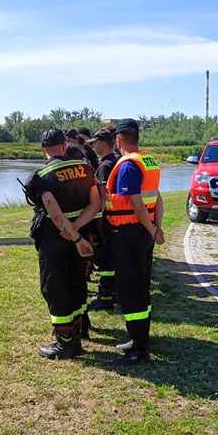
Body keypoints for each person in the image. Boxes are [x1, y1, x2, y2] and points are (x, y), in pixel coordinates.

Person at [24, 129, 101, 360]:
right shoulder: (86, 168)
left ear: (42, 149)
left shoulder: (40, 175)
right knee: (76, 282)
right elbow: (96, 204)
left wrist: (72, 234)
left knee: (55, 287)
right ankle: (76, 336)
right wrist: (77, 231)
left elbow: (55, 214)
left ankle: (64, 343)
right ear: (64, 144)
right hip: (80, 237)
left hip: (55, 240)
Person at [105, 118, 164, 365]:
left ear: (118, 140)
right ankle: (139, 338)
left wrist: (152, 229)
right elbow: (158, 199)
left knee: (130, 290)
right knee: (140, 285)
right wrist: (156, 228)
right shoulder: (147, 161)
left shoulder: (128, 166)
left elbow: (137, 204)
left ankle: (139, 349)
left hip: (130, 234)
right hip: (144, 234)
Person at [87, 128, 119, 311]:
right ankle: (112, 291)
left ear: (103, 144)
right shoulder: (116, 160)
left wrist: (94, 223)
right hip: (117, 218)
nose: (93, 146)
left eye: (95, 143)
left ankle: (105, 296)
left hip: (106, 220)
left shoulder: (105, 166)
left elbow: (102, 199)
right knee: (112, 258)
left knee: (105, 260)